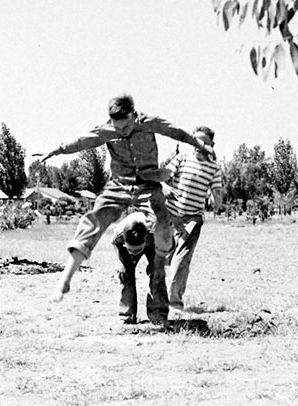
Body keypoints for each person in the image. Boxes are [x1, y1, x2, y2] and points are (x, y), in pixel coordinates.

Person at [40, 93, 216, 311]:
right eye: (117, 128)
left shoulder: (149, 122)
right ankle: (65, 278)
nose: (122, 131)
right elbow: (82, 141)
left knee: (161, 217)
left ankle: (161, 261)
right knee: (93, 220)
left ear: (134, 115)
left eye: (126, 127)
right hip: (120, 185)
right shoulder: (107, 129)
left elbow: (176, 132)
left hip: (148, 183)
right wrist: (56, 150)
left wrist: (199, 143)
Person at [163, 126, 224, 312]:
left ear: (211, 145)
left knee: (181, 261)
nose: (199, 145)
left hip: (193, 218)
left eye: (204, 141)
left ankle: (174, 303)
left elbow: (217, 196)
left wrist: (217, 198)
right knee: (166, 258)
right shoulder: (181, 159)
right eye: (196, 140)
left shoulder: (214, 168)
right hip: (171, 215)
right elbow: (163, 179)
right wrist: (165, 188)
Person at [110, 211, 163, 325]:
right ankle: (126, 316)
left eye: (137, 250)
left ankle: (158, 316)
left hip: (155, 244)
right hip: (127, 244)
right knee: (125, 274)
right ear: (125, 242)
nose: (134, 254)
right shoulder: (119, 234)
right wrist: (122, 263)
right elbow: (114, 244)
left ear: (145, 239)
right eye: (131, 250)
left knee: (158, 274)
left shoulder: (156, 230)